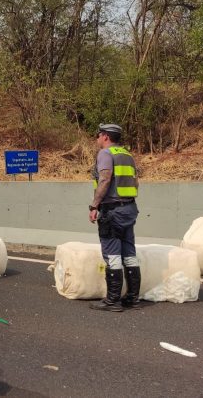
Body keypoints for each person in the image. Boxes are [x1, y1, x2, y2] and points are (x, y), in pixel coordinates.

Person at [88, 123, 141, 312]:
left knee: (112, 253)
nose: (97, 139)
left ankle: (112, 300)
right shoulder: (127, 155)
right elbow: (136, 182)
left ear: (105, 136)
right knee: (129, 254)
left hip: (113, 210)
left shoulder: (105, 154)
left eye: (98, 135)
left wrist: (95, 205)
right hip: (129, 209)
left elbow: (105, 178)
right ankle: (133, 298)